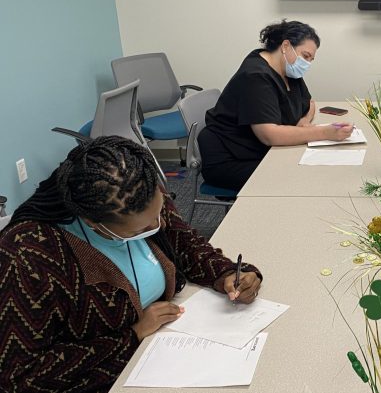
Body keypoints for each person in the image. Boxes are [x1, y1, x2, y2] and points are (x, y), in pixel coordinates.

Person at [0, 136, 263, 392]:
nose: (159, 224)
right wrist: (132, 335)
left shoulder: (138, 191)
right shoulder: (28, 257)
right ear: (93, 222)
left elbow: (184, 243)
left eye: (159, 212)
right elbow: (19, 377)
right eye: (141, 229)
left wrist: (227, 273)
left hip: (163, 349)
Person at [199, 19, 353, 191]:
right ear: (285, 46)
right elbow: (269, 135)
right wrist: (324, 132)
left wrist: (303, 122)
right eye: (305, 56)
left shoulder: (288, 70)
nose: (307, 63)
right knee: (299, 178)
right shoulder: (255, 76)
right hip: (231, 158)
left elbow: (309, 104)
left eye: (311, 59)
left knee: (310, 170)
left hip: (261, 150)